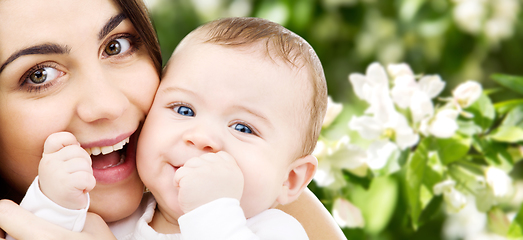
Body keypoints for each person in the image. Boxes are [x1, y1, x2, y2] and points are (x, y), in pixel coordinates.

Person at [0, 0, 345, 239]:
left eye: (117, 45)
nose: (108, 104)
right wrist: (54, 201)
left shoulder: (269, 218)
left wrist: (212, 213)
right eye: (39, 74)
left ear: (292, 178)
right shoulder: (140, 215)